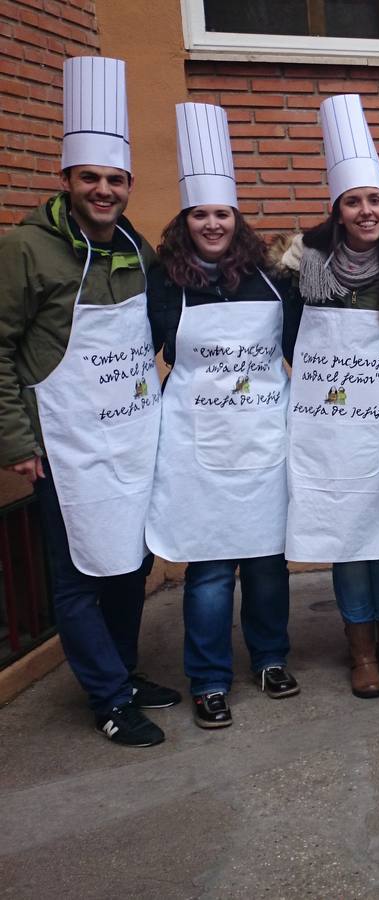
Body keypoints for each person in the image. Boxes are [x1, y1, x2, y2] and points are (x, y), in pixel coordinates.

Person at [0, 57, 179, 747]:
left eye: (115, 180)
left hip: (132, 437)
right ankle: (107, 697)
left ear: (128, 185)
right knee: (77, 575)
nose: (103, 190)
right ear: (67, 179)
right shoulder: (26, 249)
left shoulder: (135, 245)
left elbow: (159, 326)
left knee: (131, 565)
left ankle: (124, 672)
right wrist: (18, 443)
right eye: (90, 178)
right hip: (63, 443)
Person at [147, 103, 303, 728]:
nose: (212, 223)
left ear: (236, 221)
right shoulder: (164, 282)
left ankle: (270, 658)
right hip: (199, 447)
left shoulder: (272, 278)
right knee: (210, 570)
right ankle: (209, 679)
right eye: (200, 214)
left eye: (222, 214)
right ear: (185, 222)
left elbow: (304, 348)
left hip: (264, 440)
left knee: (267, 563)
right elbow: (141, 354)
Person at [278, 94, 379, 700]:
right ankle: (360, 649)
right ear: (337, 210)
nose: (367, 211)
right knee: (345, 538)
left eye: (375, 200)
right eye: (354, 201)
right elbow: (287, 339)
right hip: (330, 428)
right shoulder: (302, 266)